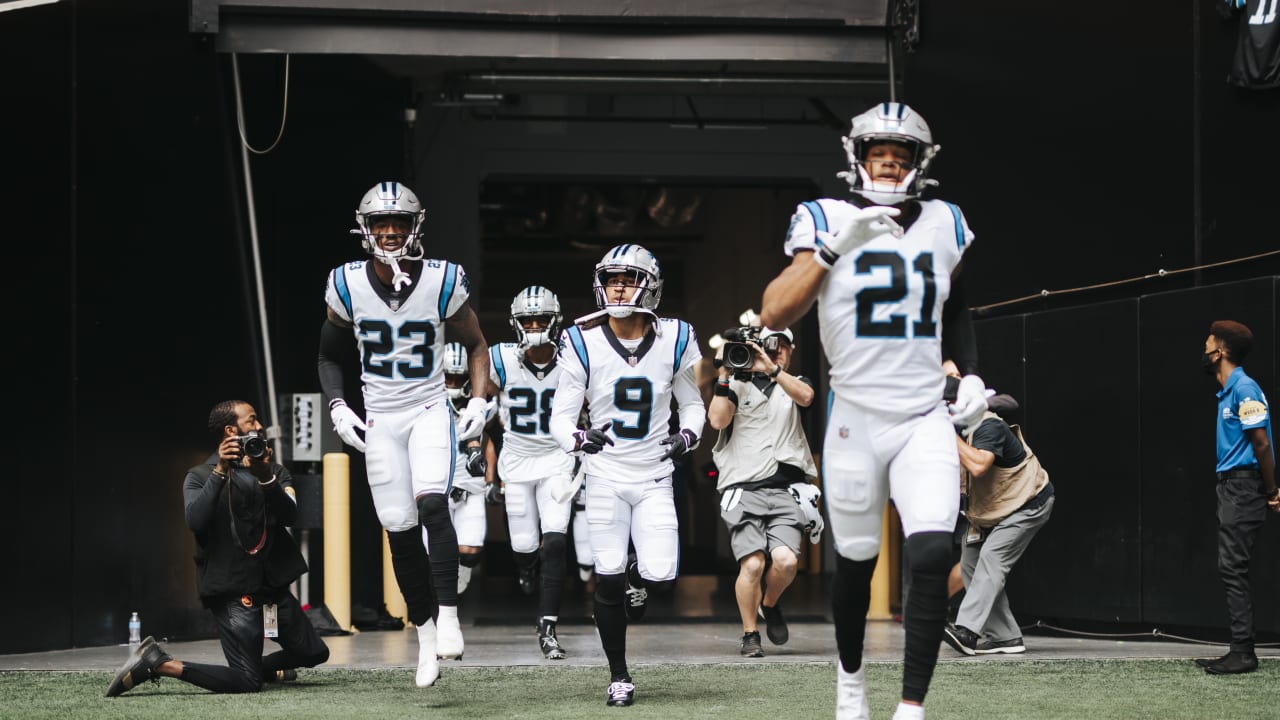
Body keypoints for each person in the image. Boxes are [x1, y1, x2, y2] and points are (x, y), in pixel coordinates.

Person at [760, 102, 988, 720]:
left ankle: (911, 707)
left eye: (901, 158)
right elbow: (774, 312)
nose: (889, 168)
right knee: (855, 567)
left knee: (932, 553)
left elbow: (956, 305)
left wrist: (968, 373)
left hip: (922, 417)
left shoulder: (945, 220)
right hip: (855, 416)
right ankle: (851, 685)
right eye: (878, 157)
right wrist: (832, 251)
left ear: (920, 164)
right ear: (856, 160)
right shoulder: (825, 218)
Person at [317, 181, 490, 687]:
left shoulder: (441, 279)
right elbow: (328, 354)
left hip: (429, 406)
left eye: (398, 222)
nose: (390, 232)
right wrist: (338, 407)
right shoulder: (346, 283)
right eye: (380, 223)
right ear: (365, 228)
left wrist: (477, 398)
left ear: (416, 227)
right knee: (399, 528)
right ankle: (426, 635)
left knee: (433, 503)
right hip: (381, 418)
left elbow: (477, 345)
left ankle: (450, 615)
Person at [549, 244, 705, 707]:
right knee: (608, 574)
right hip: (605, 475)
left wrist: (688, 436)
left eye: (629, 278)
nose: (619, 286)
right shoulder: (581, 340)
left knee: (661, 576)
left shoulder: (675, 337)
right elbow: (559, 417)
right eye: (612, 278)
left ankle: (642, 576)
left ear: (651, 287)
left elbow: (692, 404)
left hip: (655, 472)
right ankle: (619, 675)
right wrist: (578, 438)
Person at [106, 400, 329, 697]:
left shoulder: (273, 471)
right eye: (251, 421)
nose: (259, 426)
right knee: (248, 684)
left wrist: (265, 477)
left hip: (272, 588)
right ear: (230, 430)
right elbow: (195, 521)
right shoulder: (199, 475)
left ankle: (256, 668)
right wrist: (221, 471)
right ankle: (159, 663)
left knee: (314, 653)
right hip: (235, 592)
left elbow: (290, 515)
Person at [707, 326, 822, 658]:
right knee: (754, 564)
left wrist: (772, 369)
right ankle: (749, 633)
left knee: (785, 562)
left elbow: (807, 397)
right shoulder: (736, 384)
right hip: (743, 488)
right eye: (768, 347)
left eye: (781, 346)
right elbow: (716, 421)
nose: (775, 351)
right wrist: (727, 374)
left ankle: (769, 604)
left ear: (791, 350)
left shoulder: (794, 381)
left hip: (786, 490)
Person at [940, 362, 1053, 657]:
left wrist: (943, 432)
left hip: (1028, 503)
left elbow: (978, 465)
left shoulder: (988, 424)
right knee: (969, 563)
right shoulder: (959, 429)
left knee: (992, 558)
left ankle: (966, 629)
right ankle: (1005, 637)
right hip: (991, 510)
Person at [486, 285, 575, 660]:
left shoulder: (574, 358)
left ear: (555, 322)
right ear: (516, 323)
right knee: (524, 546)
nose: (535, 326)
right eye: (528, 320)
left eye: (541, 319)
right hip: (517, 463)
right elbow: (480, 404)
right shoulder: (500, 359)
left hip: (557, 460)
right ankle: (525, 567)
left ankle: (548, 626)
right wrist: (480, 449)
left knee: (555, 542)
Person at [1194, 320, 1278, 674]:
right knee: (1232, 567)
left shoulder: (1244, 388)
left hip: (1244, 487)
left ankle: (1243, 652)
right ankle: (1240, 648)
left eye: (1208, 343)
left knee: (1233, 567)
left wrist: (1272, 490)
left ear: (1221, 351)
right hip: (1232, 487)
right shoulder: (1229, 390)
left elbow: (1261, 443)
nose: (1205, 349)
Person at [440, 342, 493, 595]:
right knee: (435, 553)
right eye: (447, 377)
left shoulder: (478, 405)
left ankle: (464, 568)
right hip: (438, 487)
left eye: (457, 377)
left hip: (470, 487)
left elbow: (489, 440)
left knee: (470, 551)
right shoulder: (428, 407)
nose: (451, 383)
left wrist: (491, 478)